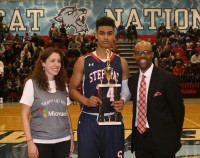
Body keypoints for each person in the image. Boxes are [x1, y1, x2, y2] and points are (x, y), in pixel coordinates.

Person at [69, 16, 130, 158]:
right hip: (89, 119)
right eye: (102, 33)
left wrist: (123, 100)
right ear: (96, 35)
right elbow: (71, 90)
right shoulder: (83, 61)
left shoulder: (122, 62)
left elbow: (126, 90)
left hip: (113, 119)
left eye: (109, 33)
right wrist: (85, 101)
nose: (106, 37)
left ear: (114, 35)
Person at [128, 40, 185, 158]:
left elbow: (178, 112)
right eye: (139, 52)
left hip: (163, 141)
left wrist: (174, 139)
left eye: (146, 52)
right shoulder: (132, 81)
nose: (142, 55)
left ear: (152, 54)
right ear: (134, 55)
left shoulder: (167, 79)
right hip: (140, 140)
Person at [20, 47, 74, 158]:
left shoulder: (63, 85)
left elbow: (65, 112)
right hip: (41, 141)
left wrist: (71, 137)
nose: (57, 64)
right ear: (43, 63)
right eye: (52, 61)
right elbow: (24, 115)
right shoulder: (32, 84)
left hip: (64, 140)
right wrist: (30, 142)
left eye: (59, 61)